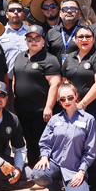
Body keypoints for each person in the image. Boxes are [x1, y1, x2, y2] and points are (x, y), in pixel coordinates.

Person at [36, 82, 96, 191]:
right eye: (63, 99)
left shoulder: (89, 119)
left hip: (74, 169)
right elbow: (45, 142)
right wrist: (44, 156)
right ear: (59, 101)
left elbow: (90, 150)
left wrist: (82, 171)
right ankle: (54, 189)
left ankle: (70, 186)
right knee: (38, 175)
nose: (67, 101)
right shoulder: (54, 119)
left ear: (76, 96)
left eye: (70, 97)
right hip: (55, 164)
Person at [11, 28, 62, 166]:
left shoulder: (50, 59)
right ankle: (33, 169)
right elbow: (15, 79)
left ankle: (45, 172)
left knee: (42, 143)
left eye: (37, 38)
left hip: (41, 112)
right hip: (22, 111)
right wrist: (14, 102)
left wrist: (48, 107)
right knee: (29, 143)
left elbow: (55, 84)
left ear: (43, 40)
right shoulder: (20, 57)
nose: (33, 41)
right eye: (30, 38)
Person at [60, 25, 96, 118]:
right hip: (72, 109)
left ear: (93, 39)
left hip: (95, 110)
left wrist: (82, 104)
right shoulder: (70, 57)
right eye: (80, 37)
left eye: (88, 36)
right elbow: (63, 81)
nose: (84, 40)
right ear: (75, 40)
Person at [0, 0, 34, 70]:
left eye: (19, 10)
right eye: (12, 10)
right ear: (7, 14)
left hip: (31, 75)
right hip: (7, 76)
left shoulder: (32, 32)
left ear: (23, 14)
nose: (16, 12)